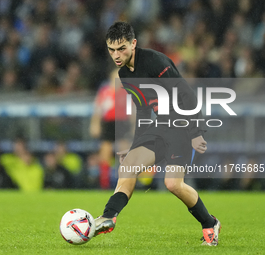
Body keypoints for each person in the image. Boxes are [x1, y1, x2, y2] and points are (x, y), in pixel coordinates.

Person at [94, 22, 221, 246]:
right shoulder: (124, 74)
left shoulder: (155, 61)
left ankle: (209, 224)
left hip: (181, 126)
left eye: (121, 48)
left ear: (133, 43)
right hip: (160, 126)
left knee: (173, 184)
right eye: (111, 49)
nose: (116, 54)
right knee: (128, 165)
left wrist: (196, 132)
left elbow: (186, 95)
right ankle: (108, 216)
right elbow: (143, 108)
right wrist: (136, 145)